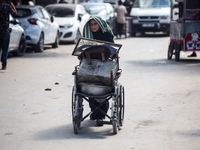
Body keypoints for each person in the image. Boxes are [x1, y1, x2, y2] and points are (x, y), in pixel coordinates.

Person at [82, 15, 114, 122]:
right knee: (90, 86)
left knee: (103, 86)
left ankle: (101, 113)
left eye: (95, 24)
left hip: (104, 66)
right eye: (91, 24)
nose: (93, 26)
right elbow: (82, 52)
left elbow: (113, 50)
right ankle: (95, 113)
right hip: (91, 66)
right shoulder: (87, 36)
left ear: (100, 24)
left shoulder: (107, 36)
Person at [0, 0, 17, 70]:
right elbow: (15, 13)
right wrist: (12, 4)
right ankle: (4, 64)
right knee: (5, 49)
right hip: (5, 31)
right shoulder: (7, 7)